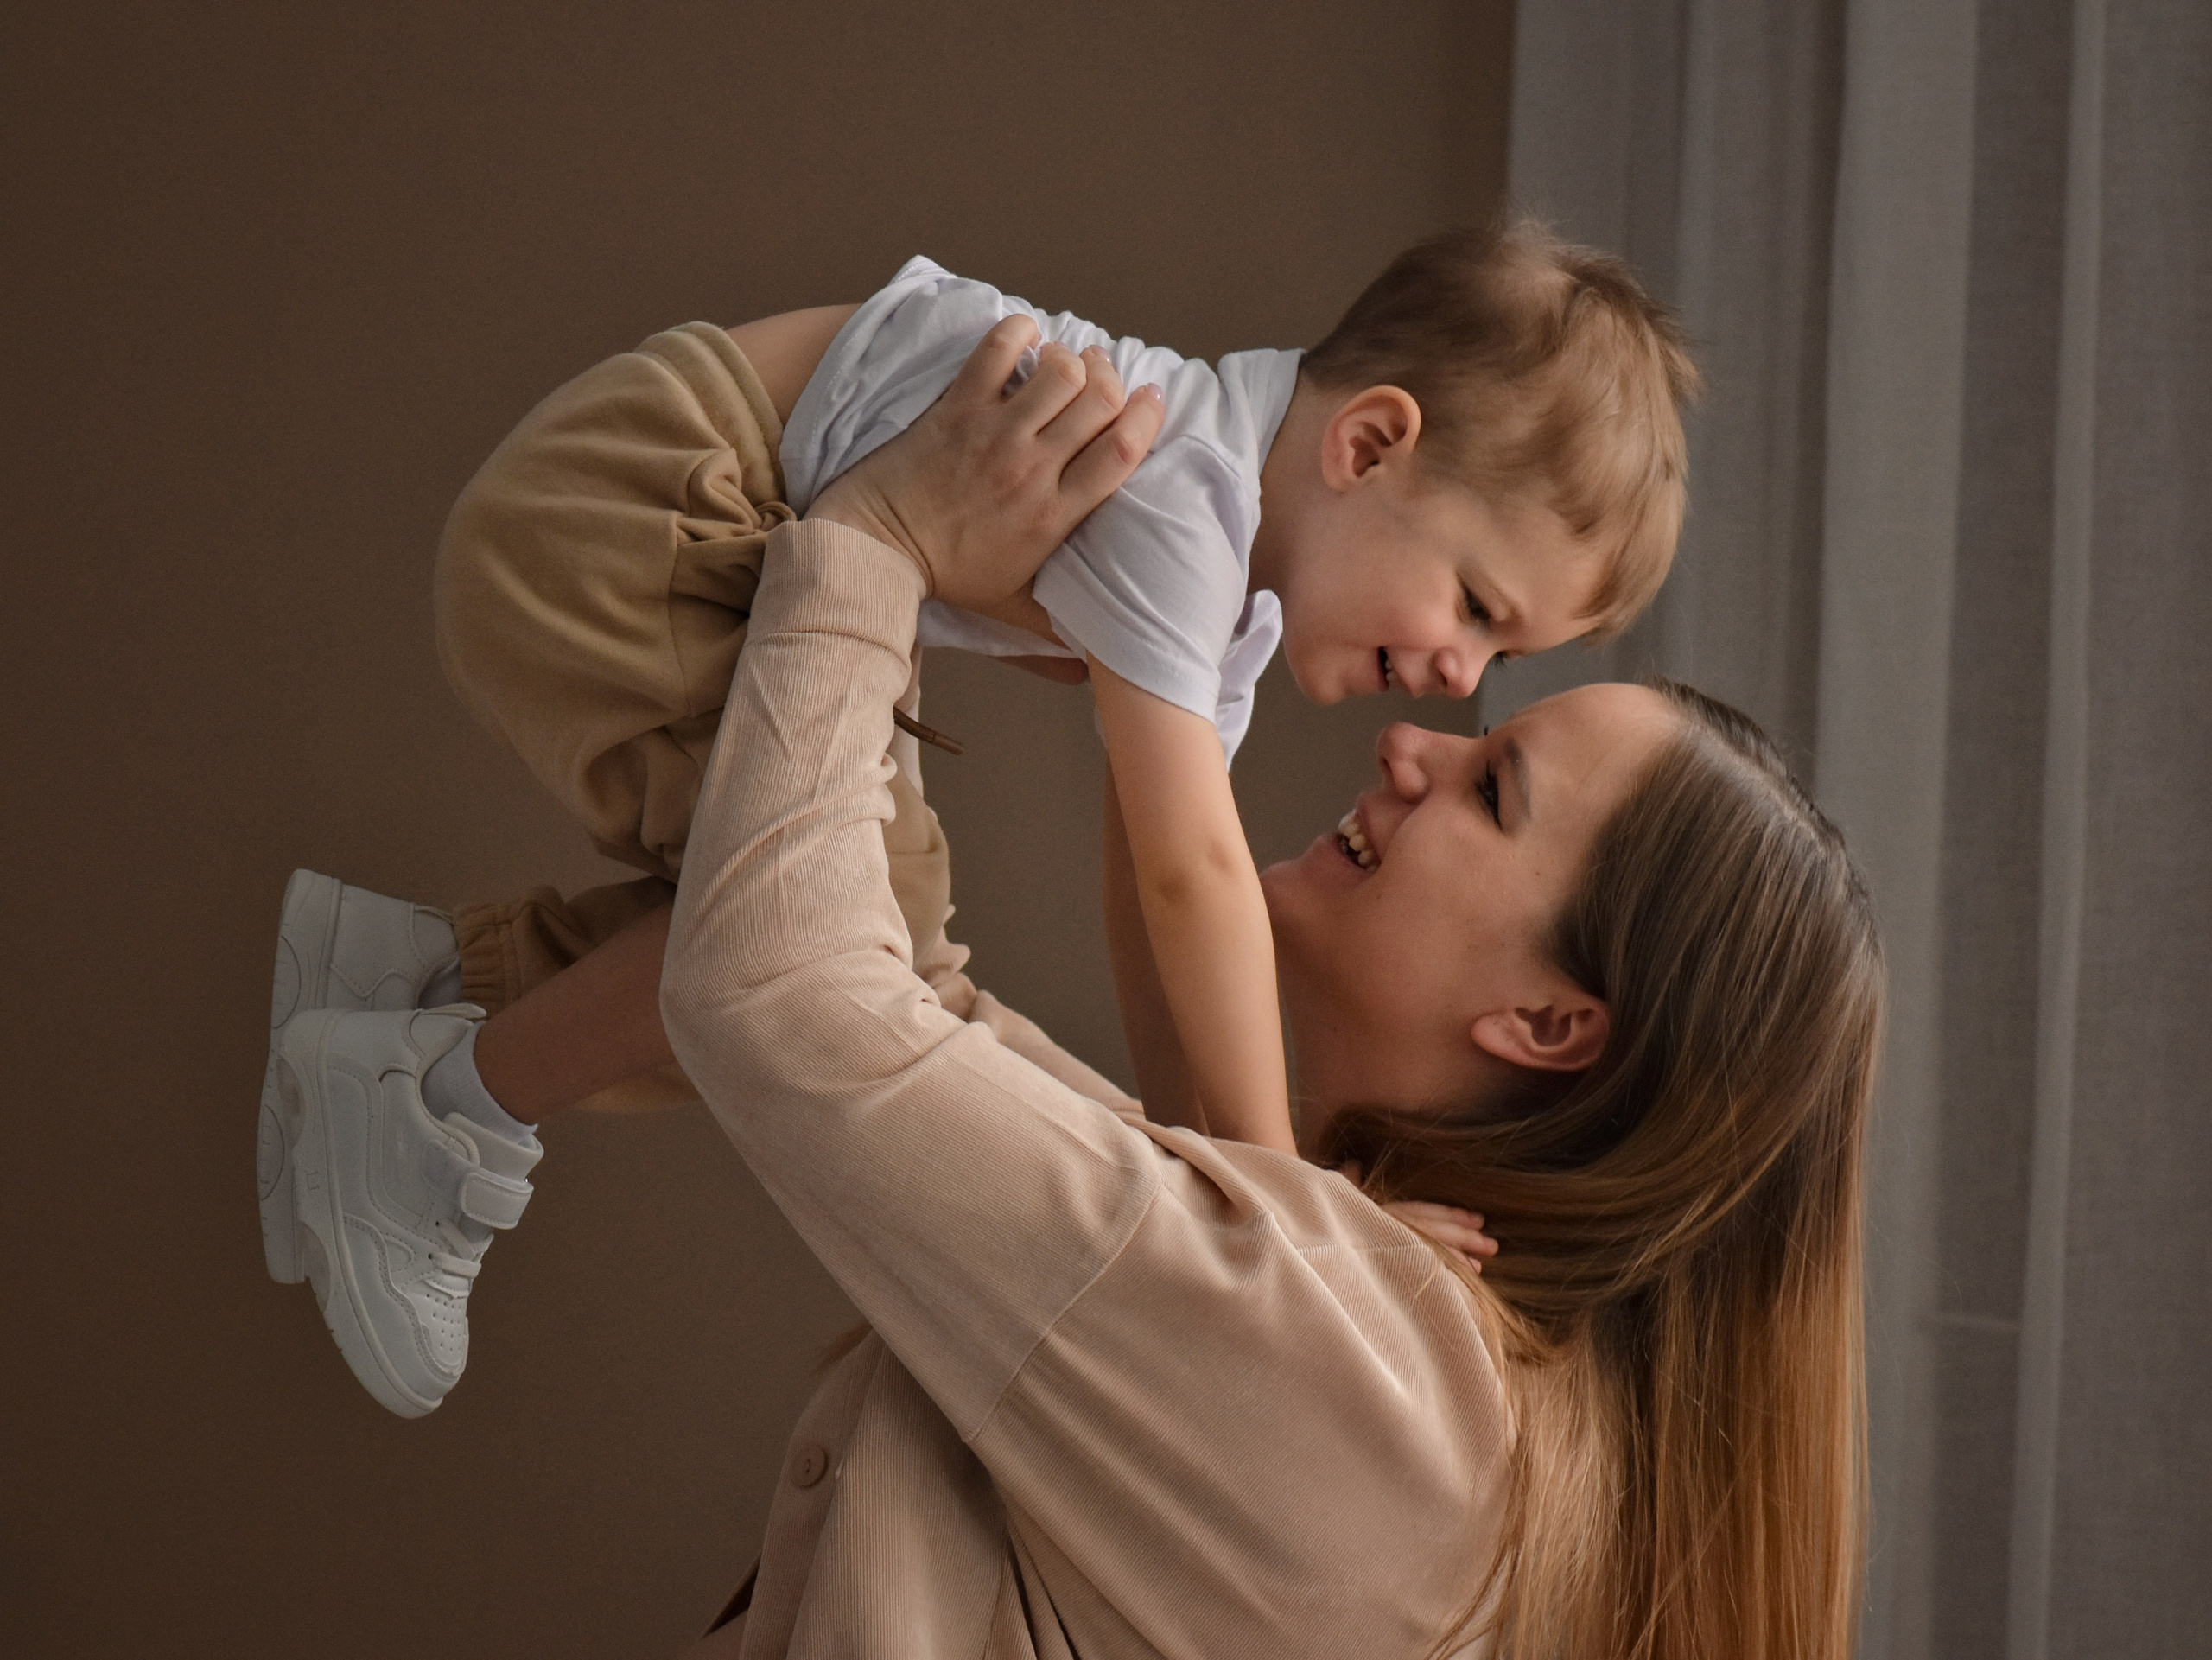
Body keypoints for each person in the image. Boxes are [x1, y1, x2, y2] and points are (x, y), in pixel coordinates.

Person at [272, 328, 1877, 1656]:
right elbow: (910, 1008)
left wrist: (881, 542)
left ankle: (436, 1069)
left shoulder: (1372, 1367)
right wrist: (1148, 679)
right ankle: (431, 1027)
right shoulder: (1400, 1358)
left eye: (1495, 790)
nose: (1419, 736)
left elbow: (792, 994)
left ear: (1549, 1025)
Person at [257, 220, 1697, 1413]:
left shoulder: (1222, 586)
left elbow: (1150, 891)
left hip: (669, 511)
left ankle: (428, 995)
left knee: (850, 919)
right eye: (1476, 609)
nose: (1457, 678)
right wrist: (1290, 1211)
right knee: (834, 924)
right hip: (639, 514)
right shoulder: (1187, 495)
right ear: (1370, 446)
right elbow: (1197, 878)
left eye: (1500, 662)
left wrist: (1197, 1154)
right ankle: (429, 1110)